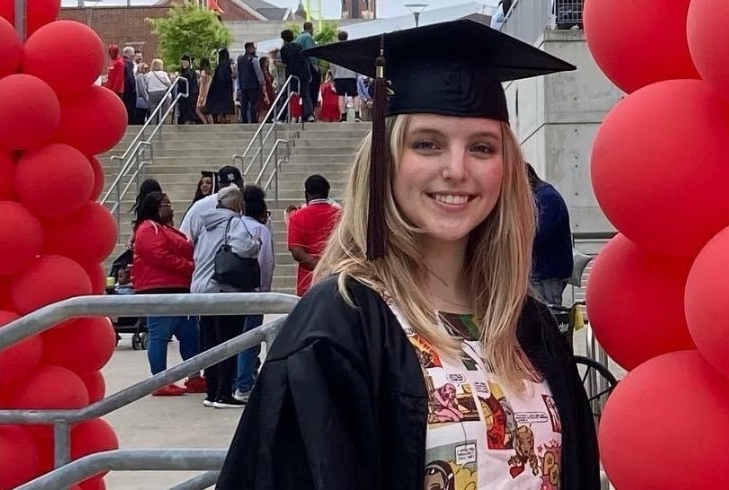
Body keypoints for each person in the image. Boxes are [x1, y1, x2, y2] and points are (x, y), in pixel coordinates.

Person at [217, 20, 599, 489]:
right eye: (427, 143)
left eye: (482, 147)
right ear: (385, 159)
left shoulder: (526, 324)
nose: (456, 170)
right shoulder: (342, 323)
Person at [189, 186, 261, 409]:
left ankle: (211, 392)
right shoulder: (234, 222)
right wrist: (255, 244)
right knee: (227, 342)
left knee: (210, 343)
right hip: (222, 290)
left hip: (200, 289)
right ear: (238, 204)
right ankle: (224, 393)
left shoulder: (206, 224)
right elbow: (243, 247)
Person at [131, 191, 203, 396]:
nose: (170, 208)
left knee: (190, 335)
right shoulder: (148, 228)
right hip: (159, 289)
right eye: (166, 204)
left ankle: (195, 376)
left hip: (178, 288)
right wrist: (190, 266)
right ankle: (159, 380)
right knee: (160, 335)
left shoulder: (163, 229)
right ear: (155, 207)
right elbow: (159, 256)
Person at [233, 185, 273, 402]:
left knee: (233, 339)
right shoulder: (261, 230)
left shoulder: (234, 224)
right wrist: (265, 290)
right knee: (250, 340)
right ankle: (244, 384)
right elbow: (266, 263)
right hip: (253, 290)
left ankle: (233, 381)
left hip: (231, 290)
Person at [525, 164, 573, 305]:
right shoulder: (542, 197)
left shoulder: (547, 198)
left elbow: (538, 235)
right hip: (539, 272)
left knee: (545, 316)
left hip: (545, 274)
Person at [286, 174, 339, 296]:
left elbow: (297, 252)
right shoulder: (341, 216)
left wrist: (319, 267)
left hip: (308, 283)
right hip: (336, 279)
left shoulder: (296, 217)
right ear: (327, 192)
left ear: (306, 194)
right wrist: (329, 269)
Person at [182, 165, 243, 239]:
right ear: (219, 186)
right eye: (228, 188)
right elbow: (185, 237)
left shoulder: (248, 204)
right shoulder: (200, 206)